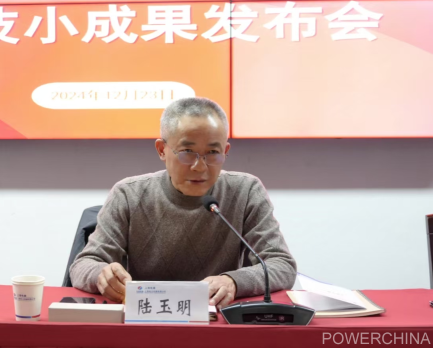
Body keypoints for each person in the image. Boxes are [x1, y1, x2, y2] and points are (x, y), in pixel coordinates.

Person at [70, 97, 296, 309]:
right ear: (162, 150)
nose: (200, 166)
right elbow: (83, 265)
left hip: (215, 321)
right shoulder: (129, 194)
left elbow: (281, 265)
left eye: (212, 152)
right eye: (187, 152)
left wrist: (234, 281)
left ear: (225, 151)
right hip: (147, 318)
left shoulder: (245, 191)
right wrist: (102, 275)